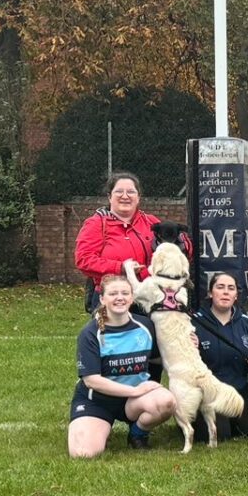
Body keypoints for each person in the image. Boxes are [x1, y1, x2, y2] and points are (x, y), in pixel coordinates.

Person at [68, 274, 176, 457]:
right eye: (113, 293)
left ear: (132, 298)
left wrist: (187, 344)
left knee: (166, 401)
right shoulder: (90, 333)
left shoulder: (145, 326)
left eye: (125, 293)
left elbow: (159, 358)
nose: (120, 297)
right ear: (102, 298)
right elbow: (92, 380)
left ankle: (137, 433)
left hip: (134, 402)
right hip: (98, 401)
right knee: (83, 453)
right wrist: (134, 391)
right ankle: (98, 426)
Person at [72, 172, 164, 311]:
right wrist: (121, 268)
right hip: (112, 298)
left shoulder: (151, 222)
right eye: (119, 191)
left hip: (150, 296)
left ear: (138, 197)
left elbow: (174, 249)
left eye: (131, 192)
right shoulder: (96, 224)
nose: (125, 196)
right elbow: (84, 260)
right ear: (110, 196)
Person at [192, 272, 248, 440]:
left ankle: (234, 420)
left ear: (235, 296)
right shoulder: (194, 323)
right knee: (219, 434)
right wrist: (192, 348)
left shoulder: (247, 324)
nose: (226, 292)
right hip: (208, 393)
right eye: (220, 287)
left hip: (238, 391)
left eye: (230, 288)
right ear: (211, 293)